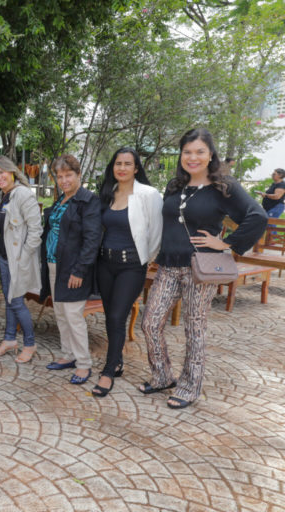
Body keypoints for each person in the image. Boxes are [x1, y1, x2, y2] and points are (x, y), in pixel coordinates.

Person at [140, 128, 266, 409]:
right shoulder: (175, 186)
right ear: (181, 155)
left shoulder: (224, 186)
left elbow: (257, 215)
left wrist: (227, 244)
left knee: (194, 329)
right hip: (168, 266)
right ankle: (162, 376)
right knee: (150, 322)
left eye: (199, 151)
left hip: (201, 268)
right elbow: (167, 223)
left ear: (210, 155)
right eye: (187, 152)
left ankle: (189, 386)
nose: (193, 157)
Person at [93, 148, 163, 397]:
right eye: (117, 163)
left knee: (116, 316)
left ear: (136, 168)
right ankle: (118, 360)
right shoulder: (107, 194)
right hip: (105, 264)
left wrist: (149, 259)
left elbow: (156, 231)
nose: (121, 168)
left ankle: (109, 371)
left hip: (131, 266)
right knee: (110, 316)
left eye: (127, 164)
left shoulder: (148, 194)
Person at [40, 154, 102, 385]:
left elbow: (92, 240)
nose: (64, 180)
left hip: (73, 268)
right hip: (53, 264)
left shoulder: (88, 201)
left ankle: (84, 364)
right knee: (59, 313)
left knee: (73, 315)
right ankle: (68, 355)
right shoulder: (61, 200)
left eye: (68, 175)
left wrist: (79, 271)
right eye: (60, 176)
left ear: (78, 175)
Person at [0, 156, 43, 363]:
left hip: (17, 258)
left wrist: (23, 258)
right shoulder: (4, 195)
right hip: (5, 258)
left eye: (1, 172)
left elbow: (35, 230)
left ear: (11, 171)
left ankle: (30, 343)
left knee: (17, 301)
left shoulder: (22, 194)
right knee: (10, 300)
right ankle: (10, 339)